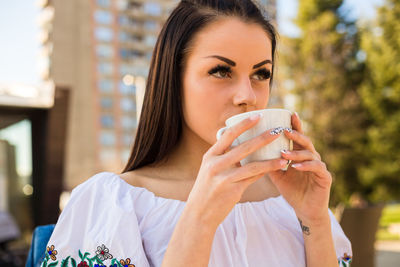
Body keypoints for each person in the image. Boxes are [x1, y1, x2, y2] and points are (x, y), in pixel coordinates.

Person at [40, 0, 352, 266]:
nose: (248, 95)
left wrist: (315, 220)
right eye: (221, 71)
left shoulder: (289, 200)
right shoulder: (114, 203)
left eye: (261, 73)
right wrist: (200, 217)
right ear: (173, 79)